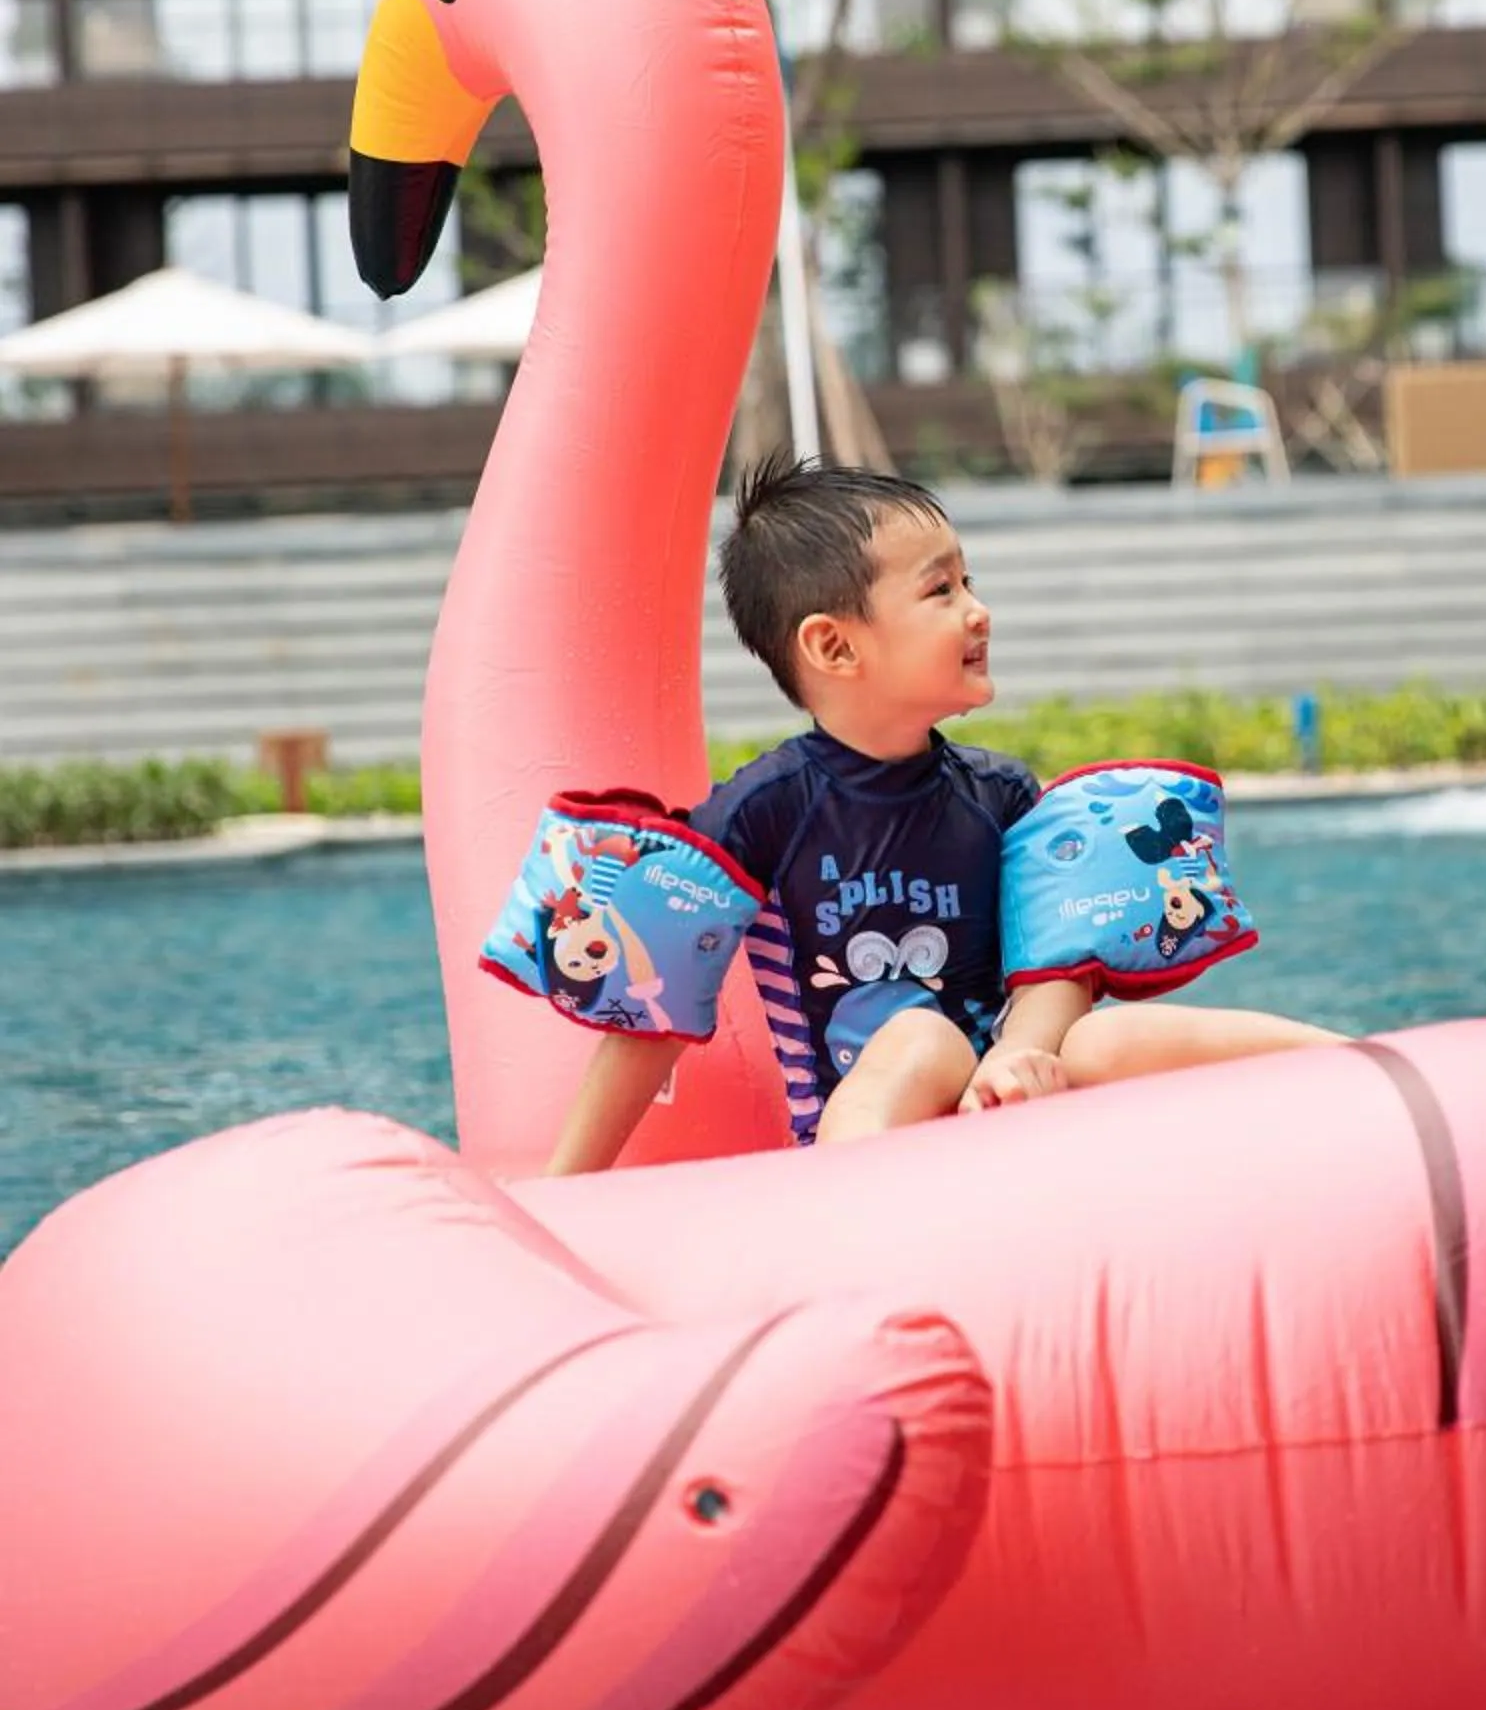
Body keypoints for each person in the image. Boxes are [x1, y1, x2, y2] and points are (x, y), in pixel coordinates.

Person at [503, 456, 1338, 1175]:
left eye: (969, 581)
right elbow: (652, 1015)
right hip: (865, 1130)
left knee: (1099, 1042)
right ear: (835, 646)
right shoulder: (764, 810)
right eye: (941, 590)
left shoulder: (1001, 794)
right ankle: (852, 1206)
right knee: (918, 1039)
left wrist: (1017, 1062)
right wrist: (568, 1185)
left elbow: (1057, 972)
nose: (977, 609)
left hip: (1003, 1103)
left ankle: (1369, 1074)